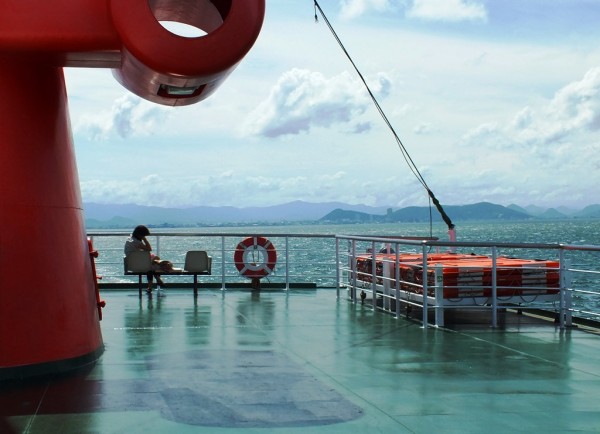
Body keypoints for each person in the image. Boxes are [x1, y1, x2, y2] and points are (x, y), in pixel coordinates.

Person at [124, 225, 165, 294]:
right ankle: (156, 281)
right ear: (140, 234)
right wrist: (145, 240)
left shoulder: (130, 239)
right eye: (143, 235)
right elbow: (149, 249)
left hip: (131, 263)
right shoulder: (136, 242)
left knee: (153, 262)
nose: (144, 237)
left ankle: (152, 286)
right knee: (153, 266)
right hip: (138, 264)